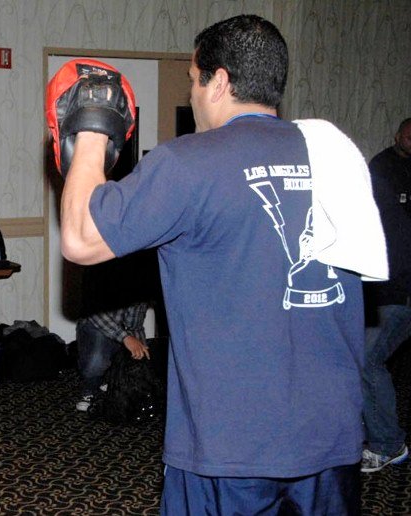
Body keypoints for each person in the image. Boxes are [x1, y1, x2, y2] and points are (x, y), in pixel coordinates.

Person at [49, 15, 387, 515]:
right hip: (331, 441)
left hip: (228, 448)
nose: (191, 94)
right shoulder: (337, 154)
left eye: (193, 79)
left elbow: (80, 238)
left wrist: (92, 130)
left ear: (220, 82)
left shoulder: (187, 162)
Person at [361, 117, 411, 473]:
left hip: (401, 290)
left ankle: (387, 444)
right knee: (365, 359)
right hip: (392, 288)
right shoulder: (381, 169)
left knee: (366, 361)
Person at [75, 302, 150, 412]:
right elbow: (95, 314)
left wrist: (142, 349)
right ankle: (89, 391)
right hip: (94, 325)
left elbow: (134, 326)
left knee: (138, 366)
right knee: (97, 360)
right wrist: (125, 338)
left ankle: (108, 380)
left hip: (120, 332)